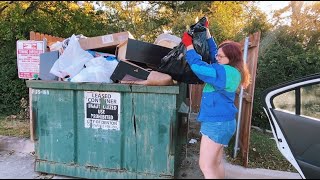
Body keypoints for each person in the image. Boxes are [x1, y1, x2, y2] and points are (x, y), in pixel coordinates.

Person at [181, 19, 251, 179]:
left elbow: (199, 68)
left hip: (216, 124)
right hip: (225, 122)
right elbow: (215, 52)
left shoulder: (223, 72)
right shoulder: (233, 70)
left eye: (221, 56)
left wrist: (189, 46)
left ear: (230, 59)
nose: (216, 57)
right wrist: (208, 34)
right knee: (216, 163)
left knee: (205, 165)